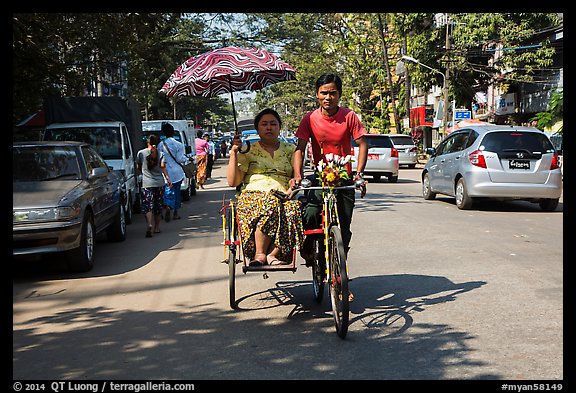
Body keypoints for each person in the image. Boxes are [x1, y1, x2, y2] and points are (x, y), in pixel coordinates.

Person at [294, 73, 368, 266]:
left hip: (343, 176)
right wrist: (297, 175)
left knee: (344, 226)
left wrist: (359, 173)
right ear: (317, 95)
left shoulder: (349, 116)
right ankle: (309, 245)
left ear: (339, 94)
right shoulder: (309, 119)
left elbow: (362, 144)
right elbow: (299, 149)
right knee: (310, 213)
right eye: (324, 93)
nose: (328, 97)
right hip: (320, 176)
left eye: (333, 93)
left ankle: (340, 271)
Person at [227, 108, 303, 266]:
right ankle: (259, 254)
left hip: (284, 195)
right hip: (254, 196)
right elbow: (233, 182)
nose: (269, 127)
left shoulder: (291, 150)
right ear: (257, 128)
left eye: (273, 124)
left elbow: (297, 177)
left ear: (279, 127)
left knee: (294, 209)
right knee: (270, 203)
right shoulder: (248, 149)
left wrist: (292, 187)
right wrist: (234, 153)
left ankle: (273, 254)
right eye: (264, 124)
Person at [137, 134, 172, 238]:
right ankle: (157, 228)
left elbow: (138, 166)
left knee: (148, 206)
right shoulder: (161, 153)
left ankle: (149, 224)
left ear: (147, 142)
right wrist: (168, 178)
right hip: (159, 183)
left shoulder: (141, 153)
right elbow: (163, 167)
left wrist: (143, 171)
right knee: (158, 206)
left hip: (146, 183)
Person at [158, 122, 186, 222]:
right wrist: (187, 159)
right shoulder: (178, 144)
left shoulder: (160, 145)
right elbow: (180, 159)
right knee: (177, 192)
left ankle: (168, 205)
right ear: (173, 132)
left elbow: (160, 159)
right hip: (177, 172)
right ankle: (175, 213)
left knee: (168, 191)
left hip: (165, 172)